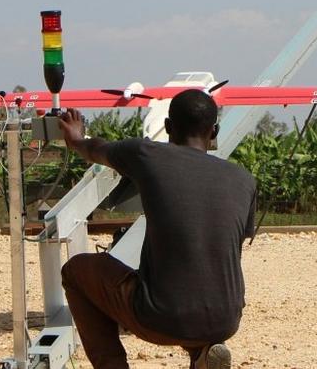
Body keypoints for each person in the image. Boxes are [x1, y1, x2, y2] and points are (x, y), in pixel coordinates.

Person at [58, 89, 256, 369]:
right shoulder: (244, 179)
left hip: (160, 318)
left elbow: (94, 150)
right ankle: (202, 354)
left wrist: (76, 137)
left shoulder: (146, 154)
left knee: (76, 271)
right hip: (226, 319)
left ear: (168, 127)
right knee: (193, 287)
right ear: (214, 133)